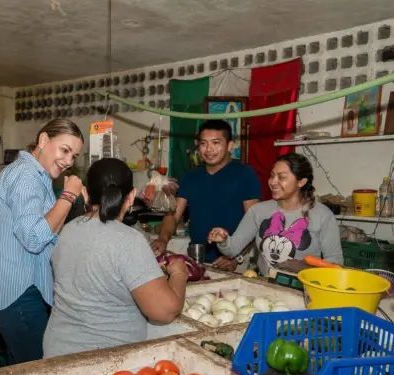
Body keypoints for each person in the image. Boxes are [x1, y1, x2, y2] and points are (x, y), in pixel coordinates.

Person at [43, 158, 189, 358]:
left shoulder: (66, 230)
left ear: (85, 194)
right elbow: (165, 312)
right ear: (130, 197)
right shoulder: (128, 240)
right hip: (106, 365)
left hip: (57, 352)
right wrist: (179, 273)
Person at [0, 118, 85, 365]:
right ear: (44, 140)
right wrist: (68, 196)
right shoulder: (26, 177)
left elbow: (48, 228)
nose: (69, 161)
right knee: (36, 373)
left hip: (19, 291)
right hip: (18, 295)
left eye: (74, 156)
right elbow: (35, 238)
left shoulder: (37, 176)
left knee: (21, 371)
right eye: (65, 150)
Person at [208, 153, 343, 276]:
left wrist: (308, 273)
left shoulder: (322, 215)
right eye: (272, 175)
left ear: (301, 182)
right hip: (265, 287)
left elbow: (335, 262)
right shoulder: (258, 211)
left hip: (305, 290)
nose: (272, 182)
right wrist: (223, 240)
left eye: (282, 177)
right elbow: (232, 250)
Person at [152, 119, 261, 271]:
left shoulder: (245, 174)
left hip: (233, 262)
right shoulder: (190, 177)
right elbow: (173, 215)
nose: (209, 149)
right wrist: (163, 239)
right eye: (203, 143)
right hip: (197, 258)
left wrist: (237, 256)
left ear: (229, 145)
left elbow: (254, 222)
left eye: (216, 143)